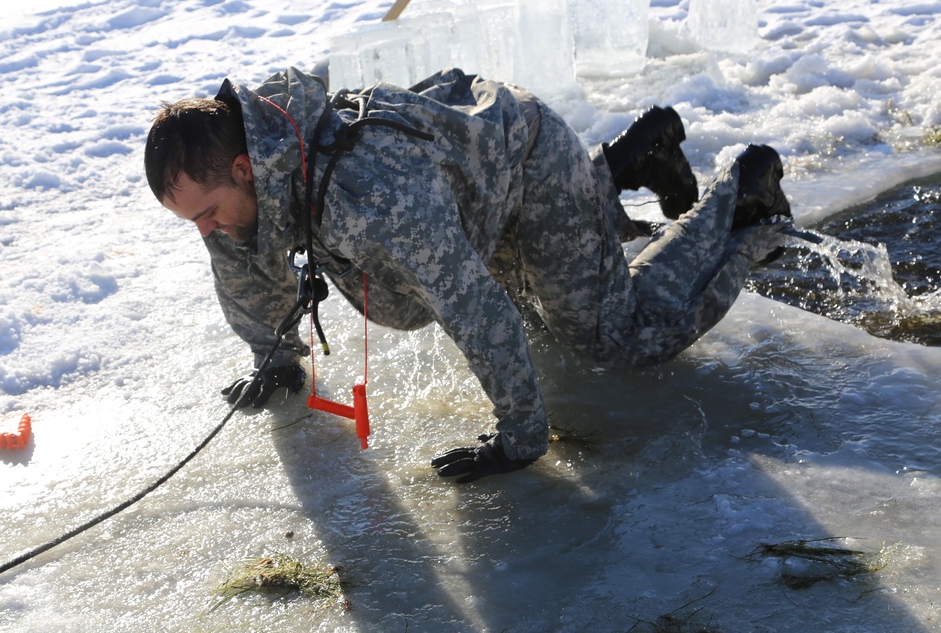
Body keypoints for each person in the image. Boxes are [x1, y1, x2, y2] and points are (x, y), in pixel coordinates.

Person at [144, 67, 791, 482]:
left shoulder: (375, 203)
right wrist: (276, 359)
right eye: (191, 221)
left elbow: (478, 312)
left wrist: (520, 440)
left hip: (529, 164)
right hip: (470, 181)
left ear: (242, 168)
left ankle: (744, 203)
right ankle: (633, 155)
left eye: (206, 214)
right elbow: (246, 272)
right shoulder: (249, 184)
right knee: (539, 308)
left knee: (609, 335)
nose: (207, 230)